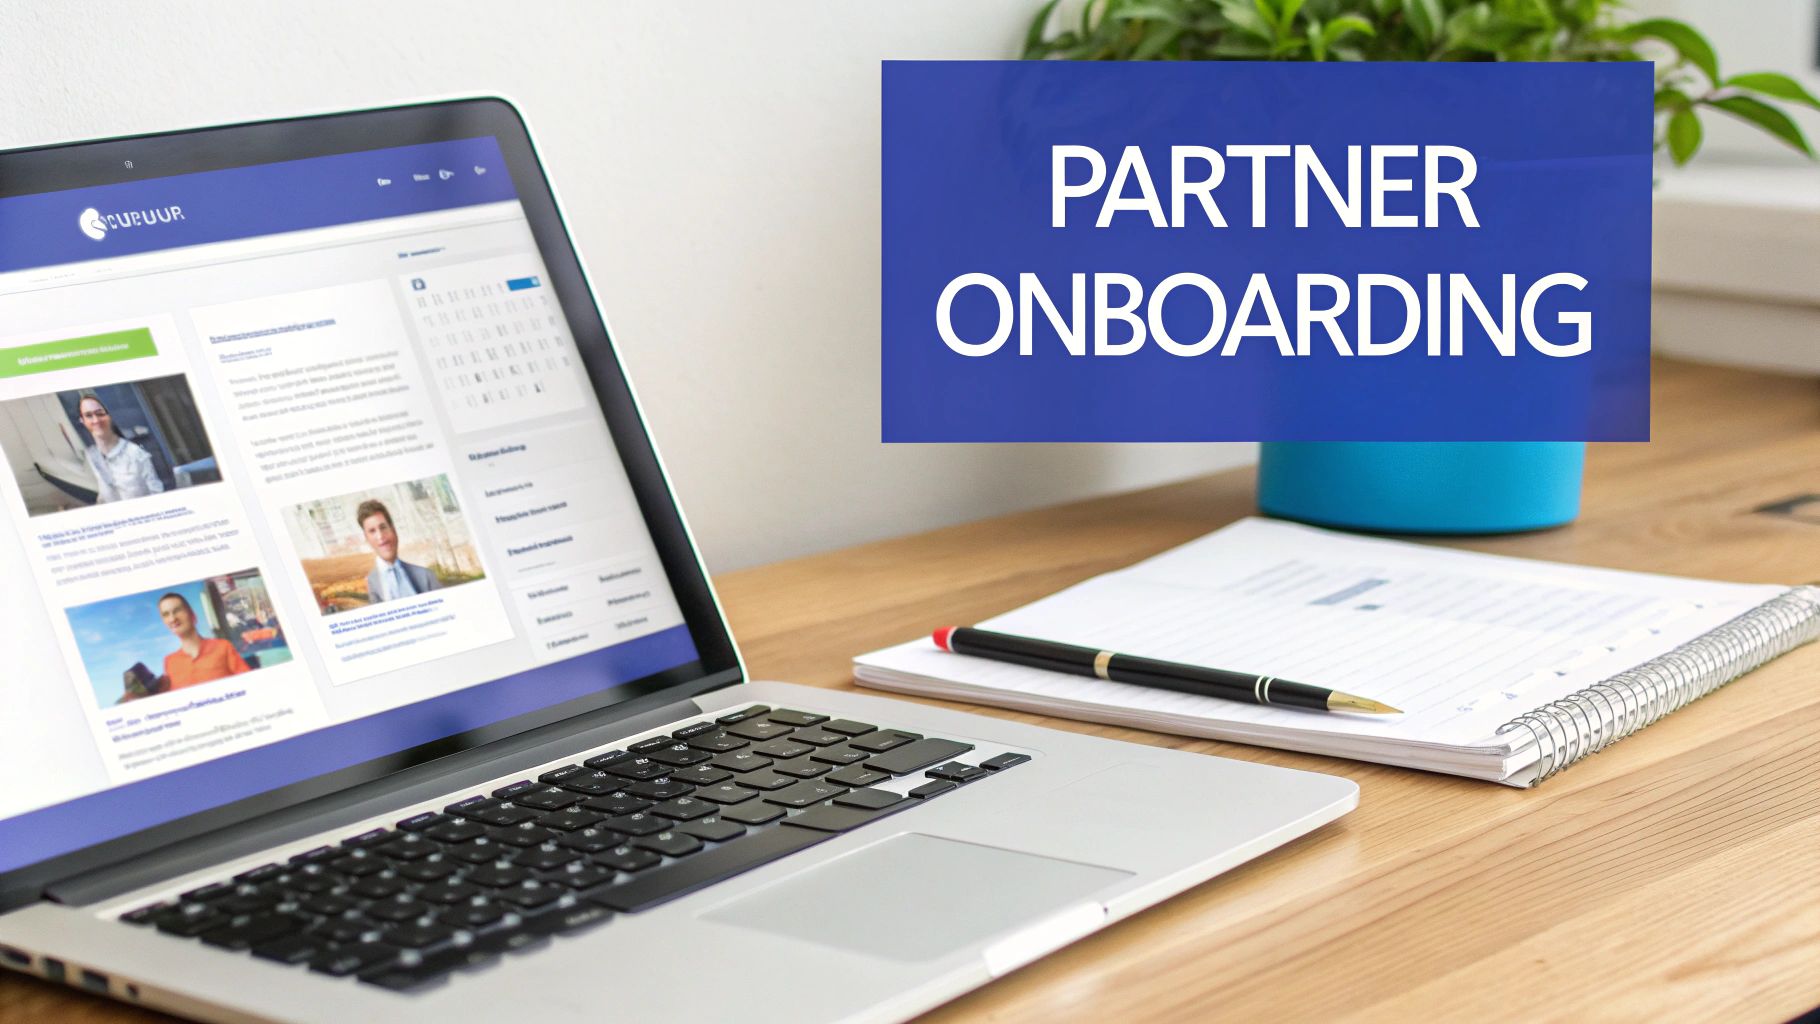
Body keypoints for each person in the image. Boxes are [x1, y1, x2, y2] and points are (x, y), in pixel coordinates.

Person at [76, 392, 163, 503]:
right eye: (88, 415)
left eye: (100, 413)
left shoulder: (135, 453)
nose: (96, 420)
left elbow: (157, 493)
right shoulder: (90, 457)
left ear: (109, 416)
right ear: (82, 421)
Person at [158, 592, 250, 689]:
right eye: (166, 614)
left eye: (177, 610)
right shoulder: (169, 662)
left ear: (192, 614)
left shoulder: (223, 647)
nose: (172, 618)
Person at [358, 499, 441, 603]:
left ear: (393, 530)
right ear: (367, 538)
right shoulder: (371, 583)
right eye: (372, 531)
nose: (380, 536)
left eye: (383, 527)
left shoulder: (426, 576)